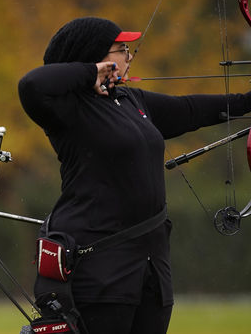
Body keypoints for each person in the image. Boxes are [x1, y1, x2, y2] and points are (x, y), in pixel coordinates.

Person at [17, 17, 251, 334]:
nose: (129, 57)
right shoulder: (68, 108)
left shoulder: (131, 100)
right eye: (121, 49)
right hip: (100, 268)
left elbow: (191, 110)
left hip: (152, 264)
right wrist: (91, 72)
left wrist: (247, 102)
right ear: (95, 55)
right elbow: (32, 84)